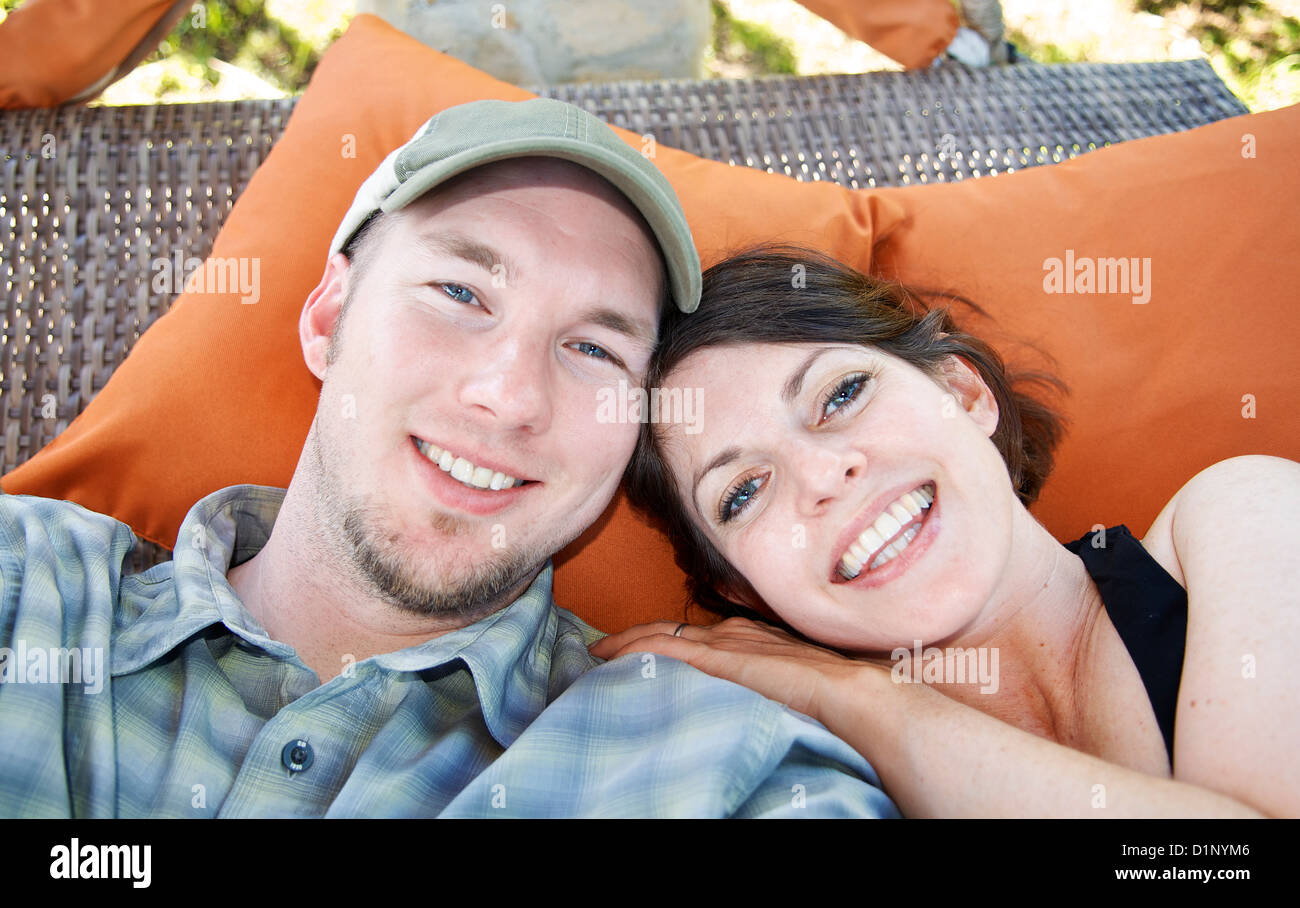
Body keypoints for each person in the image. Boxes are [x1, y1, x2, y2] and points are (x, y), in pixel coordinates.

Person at [0, 103, 899, 818]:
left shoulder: (711, 764)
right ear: (327, 318)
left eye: (593, 349)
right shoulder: (27, 588)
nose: (509, 397)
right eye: (460, 292)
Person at [593, 246, 1300, 818]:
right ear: (742, 591)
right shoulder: (801, 771)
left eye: (841, 394)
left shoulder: (1236, 516)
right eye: (743, 492)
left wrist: (873, 704)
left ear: (964, 393)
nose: (821, 477)